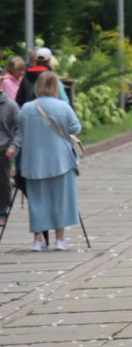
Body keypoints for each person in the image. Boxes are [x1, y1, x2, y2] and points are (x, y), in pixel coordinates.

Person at [12, 72, 80, 251]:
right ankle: (59, 239)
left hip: (33, 162)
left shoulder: (27, 108)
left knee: (37, 201)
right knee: (61, 200)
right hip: (61, 161)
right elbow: (75, 128)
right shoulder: (63, 107)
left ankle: (38, 239)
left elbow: (19, 132)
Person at [0, 83, 18, 228]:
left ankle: (2, 212)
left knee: (4, 181)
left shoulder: (11, 106)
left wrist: (13, 146)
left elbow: (20, 128)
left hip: (3, 149)